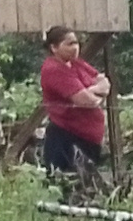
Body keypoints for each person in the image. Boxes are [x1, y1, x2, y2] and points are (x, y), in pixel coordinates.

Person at [37, 28, 112, 182]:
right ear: (54, 48)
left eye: (76, 43)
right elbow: (86, 101)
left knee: (87, 184)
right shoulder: (54, 69)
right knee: (68, 183)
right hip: (67, 138)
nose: (75, 47)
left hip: (88, 139)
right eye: (69, 44)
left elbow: (105, 82)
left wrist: (90, 92)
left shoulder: (76, 63)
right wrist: (96, 96)